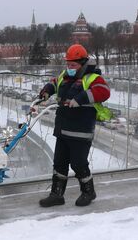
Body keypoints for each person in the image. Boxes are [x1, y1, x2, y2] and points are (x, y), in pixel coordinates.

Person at [37, 44, 110, 207]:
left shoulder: (92, 78)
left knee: (78, 163)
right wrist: (46, 91)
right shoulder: (65, 75)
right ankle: (56, 194)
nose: (69, 68)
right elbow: (55, 83)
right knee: (59, 163)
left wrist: (80, 99)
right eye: (68, 64)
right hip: (63, 128)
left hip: (80, 130)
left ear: (82, 63)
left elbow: (103, 91)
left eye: (73, 65)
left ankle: (88, 191)